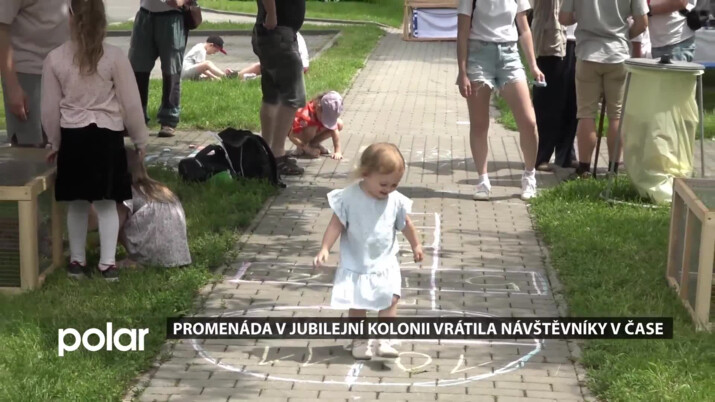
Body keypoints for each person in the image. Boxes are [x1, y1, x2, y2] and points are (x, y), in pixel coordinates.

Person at [41, 0, 148, 282]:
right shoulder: (114, 57)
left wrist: (54, 142)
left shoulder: (55, 59)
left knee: (76, 203)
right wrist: (140, 139)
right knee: (107, 203)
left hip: (73, 137)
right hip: (107, 138)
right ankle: (107, 264)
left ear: (70, 17)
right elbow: (131, 103)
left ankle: (77, 262)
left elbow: (50, 109)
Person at [313, 143, 424, 360]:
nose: (388, 189)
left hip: (385, 261)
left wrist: (416, 245)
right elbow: (335, 225)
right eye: (384, 183)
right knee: (358, 304)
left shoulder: (395, 200)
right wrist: (325, 248)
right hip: (358, 262)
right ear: (365, 174)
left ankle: (384, 339)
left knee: (391, 299)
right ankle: (360, 340)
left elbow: (406, 223)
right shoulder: (349, 198)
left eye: (394, 184)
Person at [456, 0, 545, 201]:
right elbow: (462, 32)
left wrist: (533, 65)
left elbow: (524, 29)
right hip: (478, 56)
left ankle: (529, 176)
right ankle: (483, 181)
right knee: (479, 124)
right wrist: (462, 73)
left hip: (509, 56)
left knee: (529, 121)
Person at [559, 0, 648, 179]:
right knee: (616, 115)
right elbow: (642, 22)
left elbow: (564, 18)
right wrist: (624, 35)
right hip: (618, 53)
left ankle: (584, 168)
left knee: (586, 113)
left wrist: (584, 16)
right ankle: (612, 169)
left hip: (587, 52)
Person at [0, 0, 69, 147]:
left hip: (66, 73)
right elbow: (1, 29)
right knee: (30, 149)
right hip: (28, 75)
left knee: (68, 147)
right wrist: (13, 87)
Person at [252, 0, 307, 176]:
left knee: (272, 96)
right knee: (292, 97)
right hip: (278, 33)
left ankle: (266, 151)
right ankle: (277, 153)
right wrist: (272, 14)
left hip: (272, 33)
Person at [129, 0, 188, 138]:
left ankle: (169, 120)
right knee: (137, 70)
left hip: (172, 17)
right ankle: (137, 119)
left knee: (171, 71)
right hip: (145, 15)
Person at [531, 1, 578, 171]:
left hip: (579, 39)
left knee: (572, 102)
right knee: (548, 102)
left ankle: (566, 155)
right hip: (551, 40)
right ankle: (540, 155)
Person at [228, 31, 310, 80]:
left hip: (296, 68)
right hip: (296, 66)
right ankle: (236, 76)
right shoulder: (293, 33)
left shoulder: (288, 35)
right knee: (260, 66)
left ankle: (249, 78)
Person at [288, 91, 344, 160]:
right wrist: (308, 149)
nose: (327, 121)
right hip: (300, 134)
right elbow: (292, 136)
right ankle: (301, 148)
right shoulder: (306, 117)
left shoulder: (322, 113)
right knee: (312, 127)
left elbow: (335, 130)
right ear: (318, 108)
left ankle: (314, 144)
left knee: (339, 124)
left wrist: (337, 151)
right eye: (326, 118)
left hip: (314, 128)